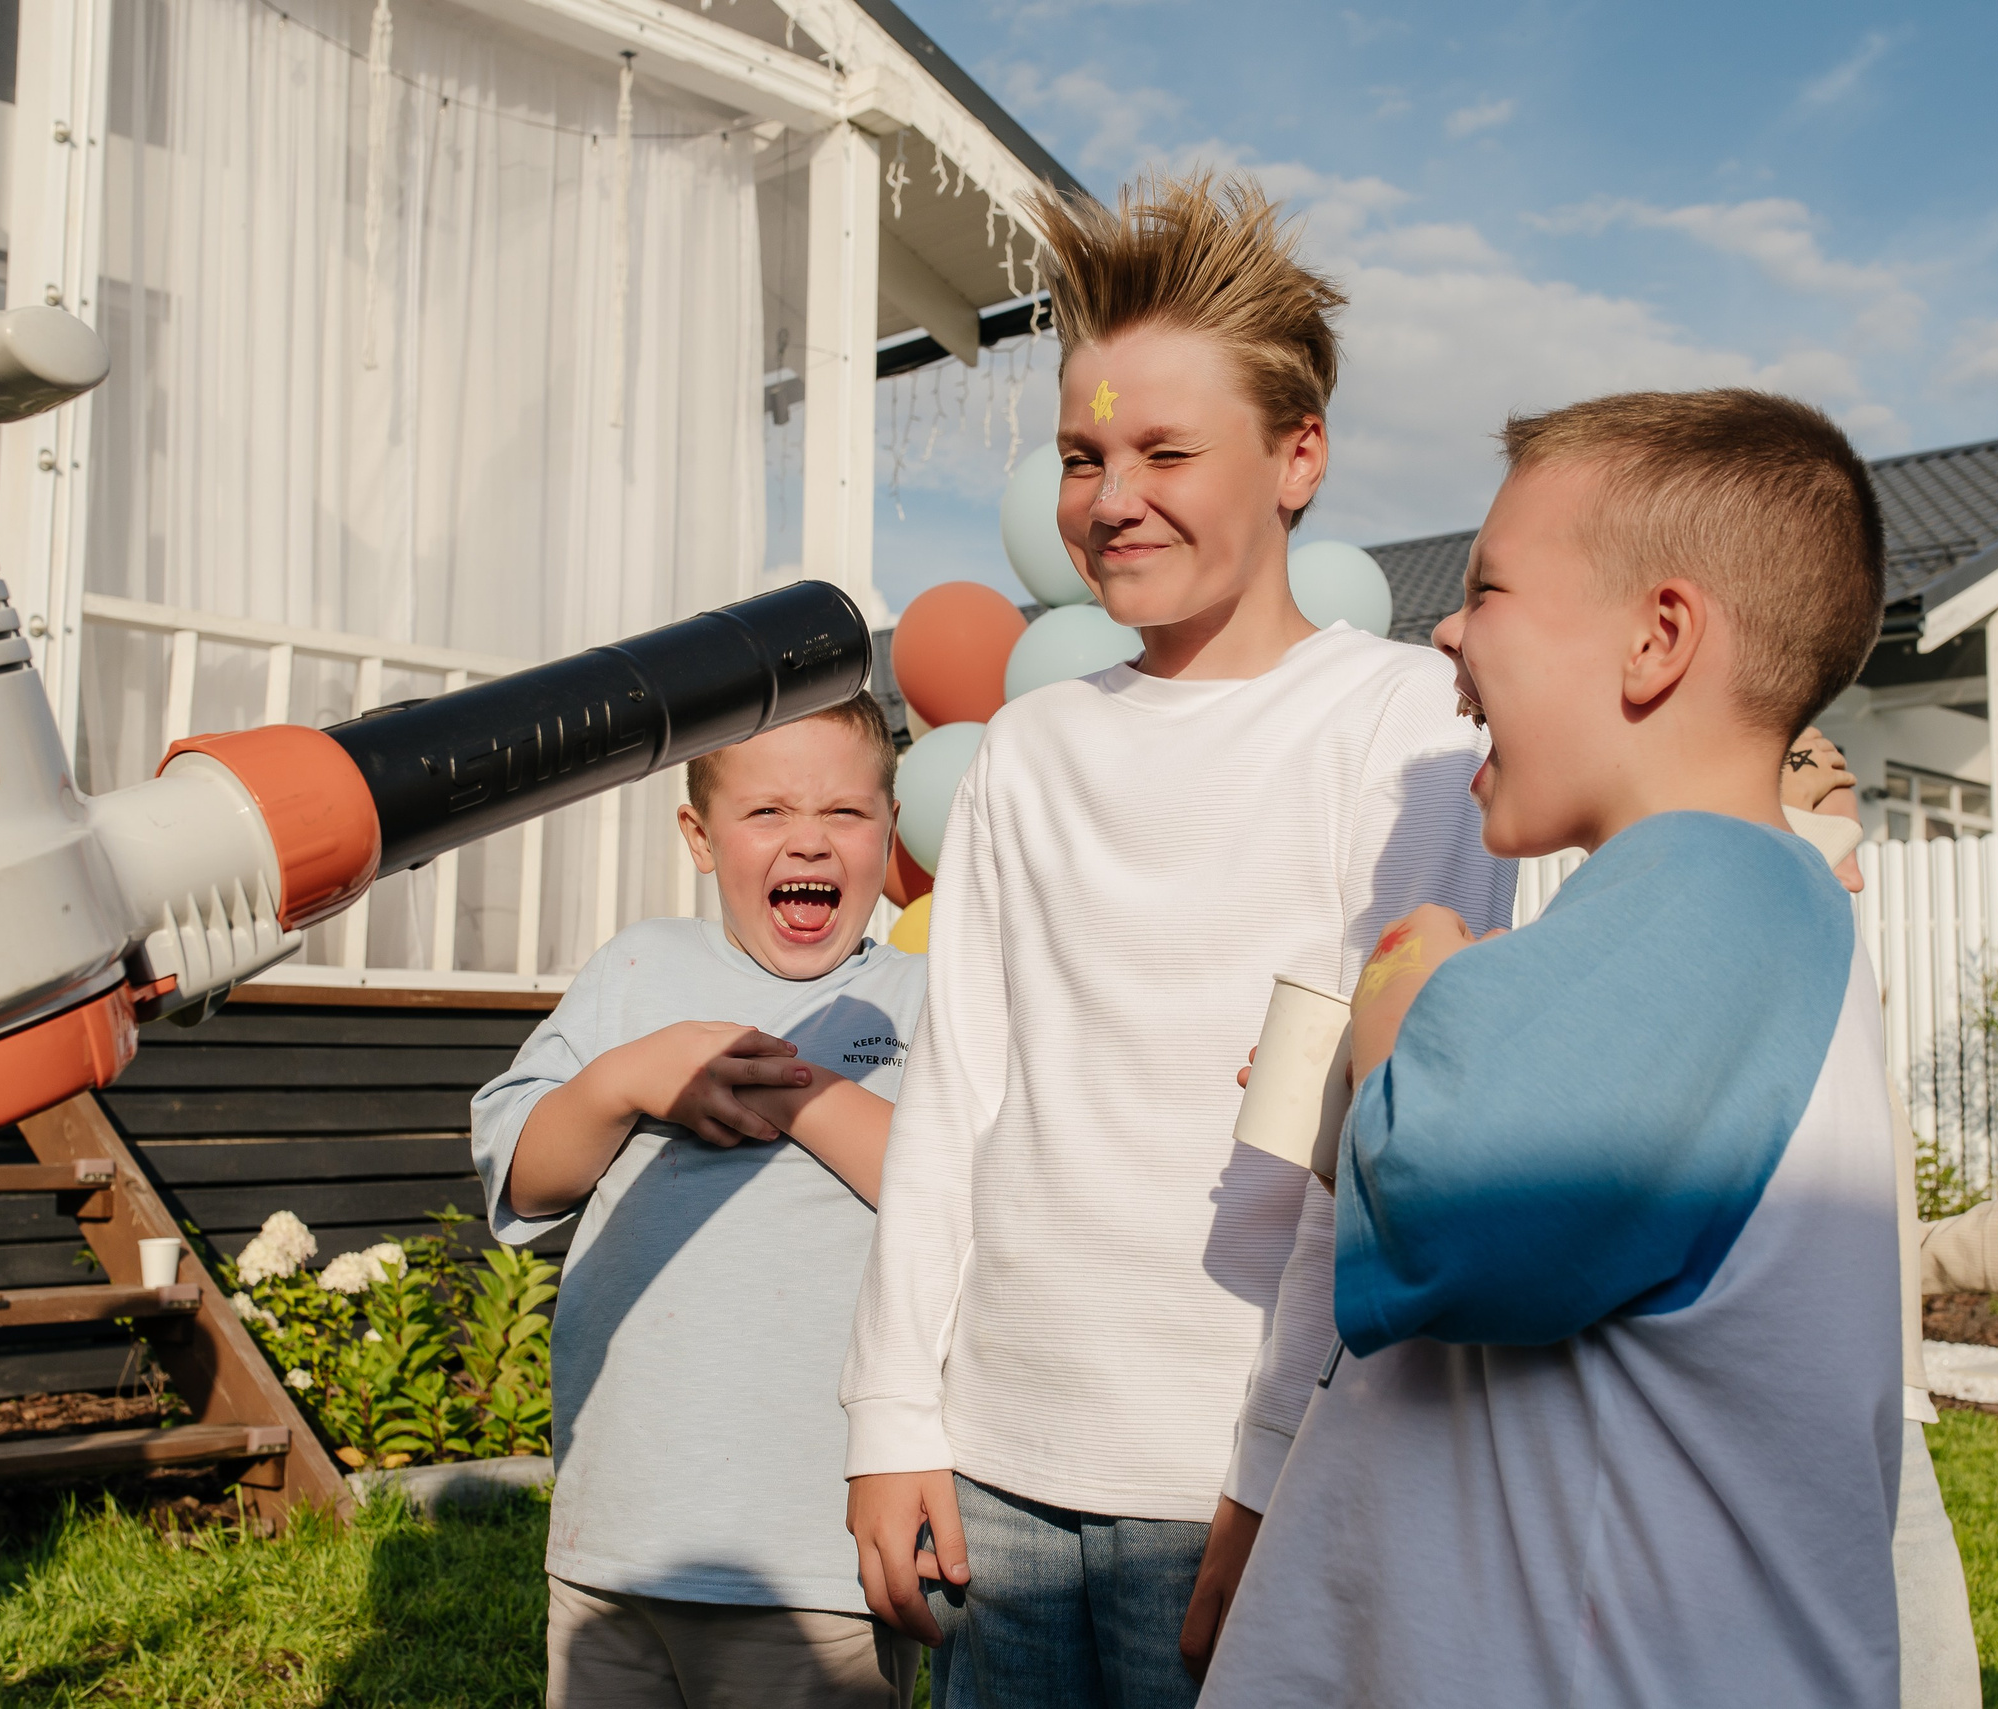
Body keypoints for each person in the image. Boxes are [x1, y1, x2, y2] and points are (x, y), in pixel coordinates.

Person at [840, 171, 1514, 1708]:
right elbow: (957, 1098)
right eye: (1082, 454)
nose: (1111, 495)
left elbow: (1367, 1145)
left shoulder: (1401, 726)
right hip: (996, 1468)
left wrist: (1271, 1471)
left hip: (1232, 1472)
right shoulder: (1026, 751)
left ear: (1298, 456)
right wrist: (894, 1413)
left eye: (1163, 450)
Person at [1200, 389, 1905, 1707]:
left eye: (1490, 588)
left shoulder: (1714, 892)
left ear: (1657, 638)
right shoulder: (1705, 921)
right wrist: (1374, 1091)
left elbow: (1450, 1219)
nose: (1448, 629)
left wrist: (1409, 980)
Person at [470, 693, 926, 1709]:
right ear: (700, 836)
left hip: (815, 1555)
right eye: (766, 812)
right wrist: (632, 1075)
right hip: (615, 1540)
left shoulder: (915, 999)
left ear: (889, 833)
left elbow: (946, 1192)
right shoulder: (638, 969)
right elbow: (528, 1174)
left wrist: (796, 1088)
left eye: (846, 814)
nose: (807, 837)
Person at [1781, 725, 1998, 1709]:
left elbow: (1858, 1238)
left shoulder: (1850, 1015)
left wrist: (1974, 1241)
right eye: (1832, 846)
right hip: (1815, 1401)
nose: (1855, 879)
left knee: (1928, 1659)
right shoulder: (1778, 1007)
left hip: (1884, 1397)